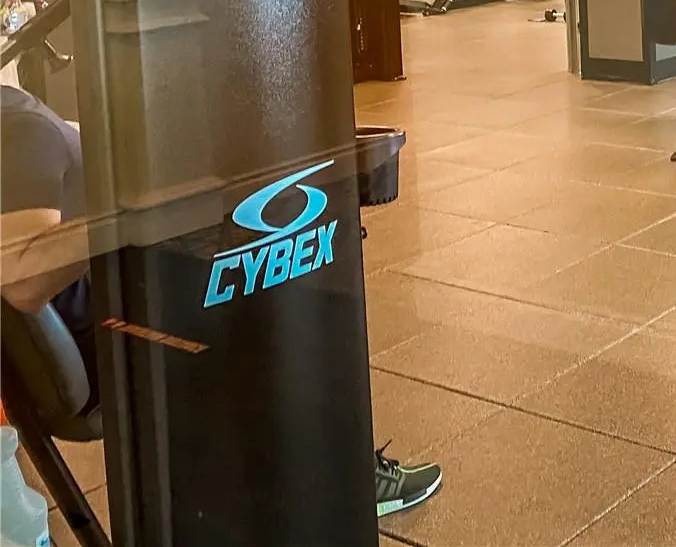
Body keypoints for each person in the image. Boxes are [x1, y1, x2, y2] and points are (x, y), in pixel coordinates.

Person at [0, 84, 444, 519]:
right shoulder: (20, 127)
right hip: (113, 336)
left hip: (109, 306)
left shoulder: (19, 122)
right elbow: (23, 282)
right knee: (291, 295)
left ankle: (291, 474)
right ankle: (346, 483)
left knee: (257, 261)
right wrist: (126, 211)